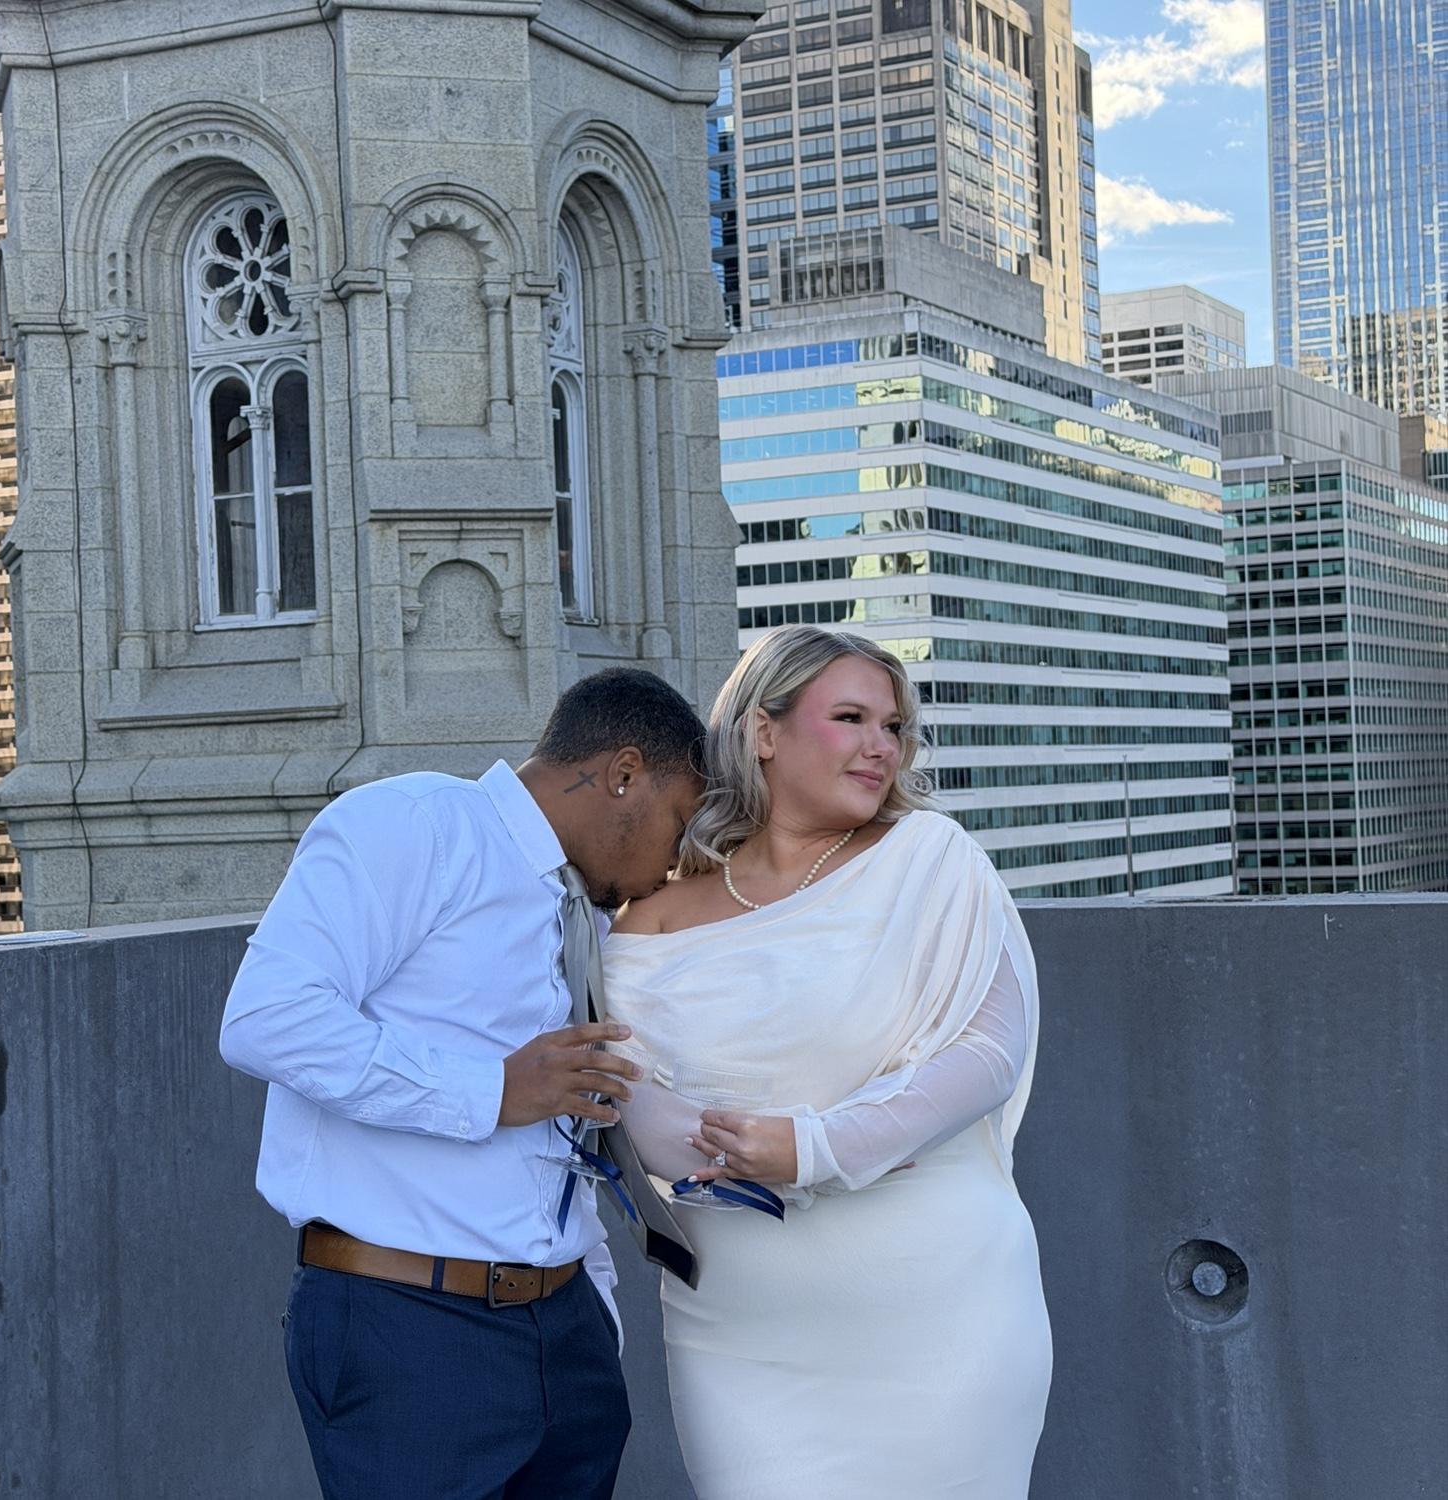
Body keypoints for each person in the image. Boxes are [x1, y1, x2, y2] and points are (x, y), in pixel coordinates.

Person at [218, 667, 707, 1500]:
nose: (673, 864)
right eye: (680, 823)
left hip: (566, 1343)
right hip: (410, 1332)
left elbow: (570, 1130)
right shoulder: (414, 825)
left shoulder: (585, 915)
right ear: (624, 775)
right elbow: (268, 1018)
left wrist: (591, 1306)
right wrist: (490, 1090)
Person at [605, 626, 1053, 1500]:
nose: (881, 746)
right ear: (762, 731)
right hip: (741, 1331)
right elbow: (619, 1090)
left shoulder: (931, 859)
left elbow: (987, 1053)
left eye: (894, 727)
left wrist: (814, 1148)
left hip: (941, 1307)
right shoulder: (652, 914)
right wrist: (735, 1147)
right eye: (851, 718)